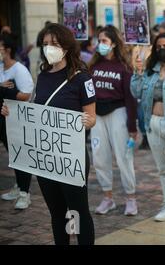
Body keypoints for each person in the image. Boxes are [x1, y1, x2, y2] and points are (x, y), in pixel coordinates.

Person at [2, 23, 96, 245]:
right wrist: (12, 112)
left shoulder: (82, 78)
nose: (48, 48)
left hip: (70, 158)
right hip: (46, 160)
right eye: (45, 44)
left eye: (53, 44)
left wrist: (86, 121)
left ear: (65, 45)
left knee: (76, 211)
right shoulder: (43, 76)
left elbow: (91, 117)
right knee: (57, 212)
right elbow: (35, 110)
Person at [131, 32, 165, 222]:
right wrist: (137, 72)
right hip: (153, 123)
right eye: (159, 47)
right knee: (163, 168)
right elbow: (136, 92)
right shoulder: (149, 71)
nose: (163, 50)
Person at [88, 25, 138, 216]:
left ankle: (131, 199)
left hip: (118, 112)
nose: (100, 44)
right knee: (99, 158)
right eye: (98, 40)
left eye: (104, 41)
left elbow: (130, 98)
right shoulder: (93, 66)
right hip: (97, 115)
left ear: (114, 44)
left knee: (124, 157)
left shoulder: (124, 67)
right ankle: (108, 198)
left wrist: (132, 126)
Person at [0, 34, 35, 209]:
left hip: (17, 118)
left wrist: (7, 92)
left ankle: (24, 193)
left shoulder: (19, 70)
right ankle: (18, 186)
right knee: (12, 155)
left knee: (21, 154)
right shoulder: (0, 68)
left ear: (7, 50)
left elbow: (26, 95)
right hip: (2, 117)